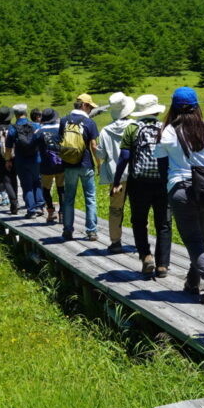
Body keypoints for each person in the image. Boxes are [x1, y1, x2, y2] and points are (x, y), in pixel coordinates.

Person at [155, 87, 204, 303]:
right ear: (197, 106)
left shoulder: (166, 131)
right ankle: (192, 282)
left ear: (173, 107)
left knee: (193, 240)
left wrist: (167, 191)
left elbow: (162, 169)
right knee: (201, 239)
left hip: (180, 190)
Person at [112, 94, 172, 279]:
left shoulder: (132, 128)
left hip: (139, 182)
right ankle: (162, 265)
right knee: (163, 223)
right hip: (163, 181)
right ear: (156, 110)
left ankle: (146, 256)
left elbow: (124, 157)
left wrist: (116, 181)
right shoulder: (165, 127)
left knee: (139, 221)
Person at [96, 92, 136, 254]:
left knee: (115, 210)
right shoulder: (135, 126)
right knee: (138, 209)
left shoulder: (105, 131)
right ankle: (141, 241)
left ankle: (115, 242)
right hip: (136, 175)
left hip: (116, 177)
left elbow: (101, 155)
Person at [60, 94, 100, 242]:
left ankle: (68, 230)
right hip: (86, 165)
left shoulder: (64, 120)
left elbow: (61, 142)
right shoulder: (89, 122)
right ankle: (91, 231)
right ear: (84, 105)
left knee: (69, 198)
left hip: (69, 166)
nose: (90, 110)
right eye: (90, 106)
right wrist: (99, 164)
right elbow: (94, 146)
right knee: (90, 198)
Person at [5, 104, 43, 218]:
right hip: (36, 159)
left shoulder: (12, 128)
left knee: (27, 186)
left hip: (21, 161)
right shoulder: (35, 125)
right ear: (26, 113)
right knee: (37, 182)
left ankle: (31, 211)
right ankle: (40, 206)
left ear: (15, 115)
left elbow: (8, 148)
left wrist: (8, 160)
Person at [35, 108, 64, 225]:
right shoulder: (61, 129)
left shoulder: (38, 132)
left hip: (46, 165)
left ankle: (51, 212)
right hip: (61, 163)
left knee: (46, 189)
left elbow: (34, 147)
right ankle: (62, 213)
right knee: (61, 188)